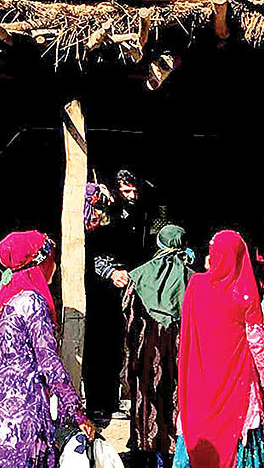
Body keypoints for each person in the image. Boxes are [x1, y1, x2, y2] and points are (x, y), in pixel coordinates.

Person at [0, 231, 94, 468]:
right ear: (39, 262)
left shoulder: (2, 298)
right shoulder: (32, 301)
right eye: (52, 258)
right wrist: (77, 412)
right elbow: (49, 363)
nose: (55, 264)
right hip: (25, 414)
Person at [176, 230, 264, 468]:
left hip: (199, 378)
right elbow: (257, 342)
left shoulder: (195, 286)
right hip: (235, 381)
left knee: (197, 425)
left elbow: (186, 333)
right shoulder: (244, 295)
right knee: (237, 433)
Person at [124, 225, 194, 468]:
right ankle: (174, 452)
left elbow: (129, 316)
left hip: (147, 348)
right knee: (175, 393)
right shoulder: (191, 277)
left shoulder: (139, 275)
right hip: (179, 346)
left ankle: (145, 451)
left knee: (147, 395)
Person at [86, 170, 153, 421]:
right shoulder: (104, 216)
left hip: (133, 288)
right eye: (126, 192)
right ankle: (99, 403)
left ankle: (122, 401)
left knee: (127, 346)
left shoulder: (144, 213)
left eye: (135, 191)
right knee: (102, 346)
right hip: (104, 293)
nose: (132, 196)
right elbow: (91, 254)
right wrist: (110, 271)